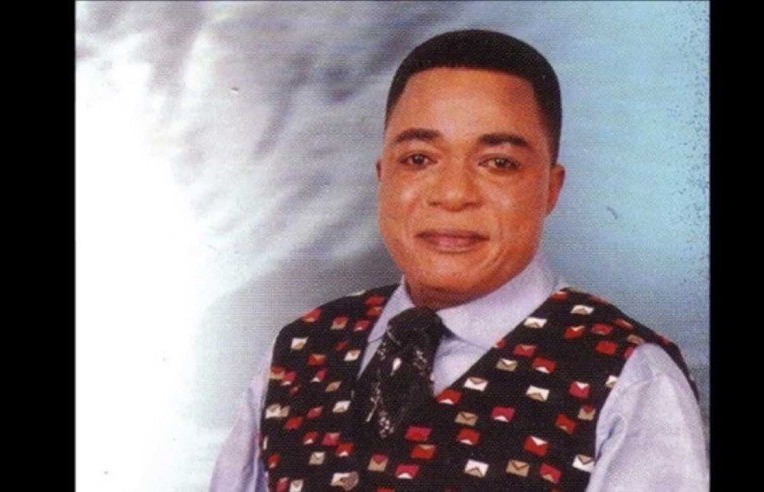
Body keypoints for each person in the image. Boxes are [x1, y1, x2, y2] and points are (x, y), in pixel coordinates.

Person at [210, 29, 708, 491]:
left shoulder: (629, 379)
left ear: (551, 190)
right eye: (419, 159)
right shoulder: (301, 352)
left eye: (499, 163)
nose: (452, 195)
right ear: (384, 177)